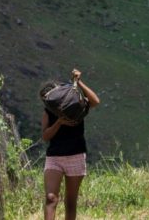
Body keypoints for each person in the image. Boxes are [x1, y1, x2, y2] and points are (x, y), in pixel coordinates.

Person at [40, 69, 100, 220]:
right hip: (54, 157)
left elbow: (95, 101)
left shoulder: (76, 104)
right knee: (51, 197)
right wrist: (59, 123)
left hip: (76, 154)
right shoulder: (48, 111)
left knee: (71, 202)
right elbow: (46, 136)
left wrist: (79, 83)